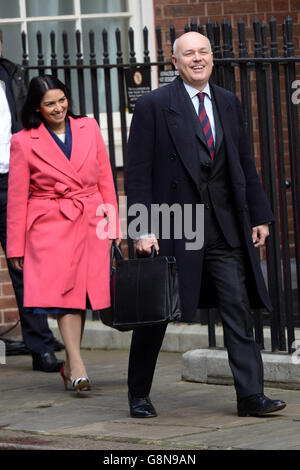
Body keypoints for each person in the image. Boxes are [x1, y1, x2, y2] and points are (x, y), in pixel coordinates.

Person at [125, 32, 286, 418]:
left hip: (224, 227)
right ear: (175, 63)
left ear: (212, 58)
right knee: (157, 314)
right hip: (174, 227)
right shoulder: (153, 105)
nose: (198, 59)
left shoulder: (228, 102)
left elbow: (245, 162)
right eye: (189, 54)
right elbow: (138, 174)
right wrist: (142, 229)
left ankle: (251, 396)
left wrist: (260, 215)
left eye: (203, 52)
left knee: (237, 309)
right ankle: (139, 396)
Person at [6, 74, 120, 393]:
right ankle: (78, 363)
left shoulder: (90, 127)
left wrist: (112, 223)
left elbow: (105, 178)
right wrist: (15, 246)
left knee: (80, 294)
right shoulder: (23, 141)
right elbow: (16, 197)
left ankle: (70, 364)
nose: (58, 108)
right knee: (63, 294)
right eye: (49, 104)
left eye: (61, 100)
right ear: (37, 108)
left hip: (89, 217)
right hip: (49, 224)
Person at [0, 30, 63, 372]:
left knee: (23, 268)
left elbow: (32, 123)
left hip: (13, 183)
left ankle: (41, 349)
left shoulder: (14, 76)